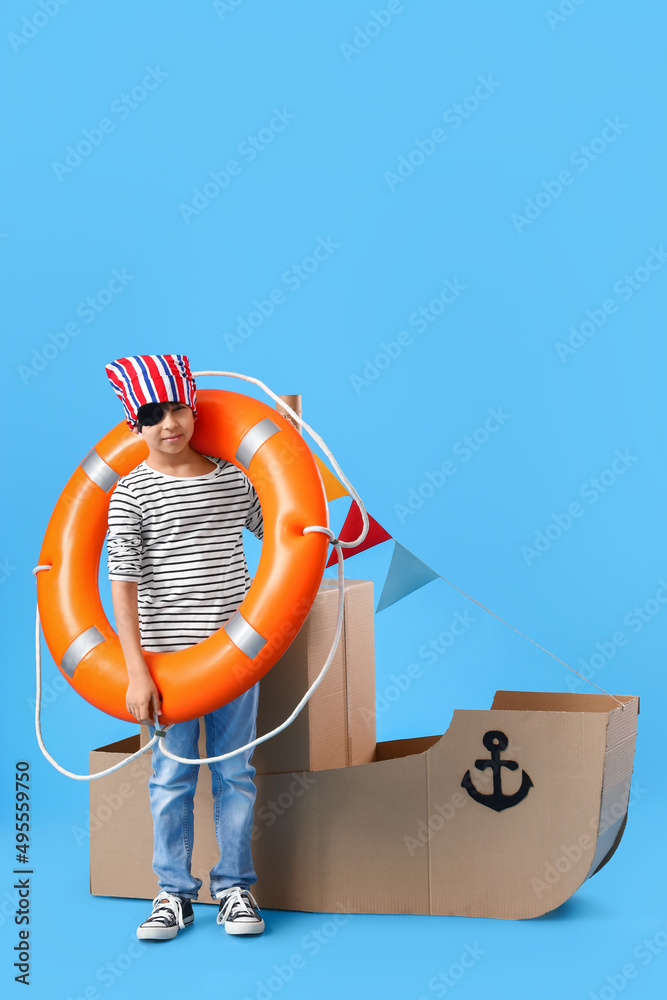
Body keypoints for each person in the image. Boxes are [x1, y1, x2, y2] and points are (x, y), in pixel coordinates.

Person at [105, 354, 265, 940]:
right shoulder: (132, 493)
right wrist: (135, 672)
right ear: (135, 426)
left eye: (176, 408)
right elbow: (121, 586)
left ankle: (235, 888)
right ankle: (173, 893)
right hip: (169, 663)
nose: (168, 424)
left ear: (192, 408)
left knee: (235, 773)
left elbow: (280, 535)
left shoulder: (230, 477)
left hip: (235, 654)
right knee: (170, 777)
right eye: (152, 415)